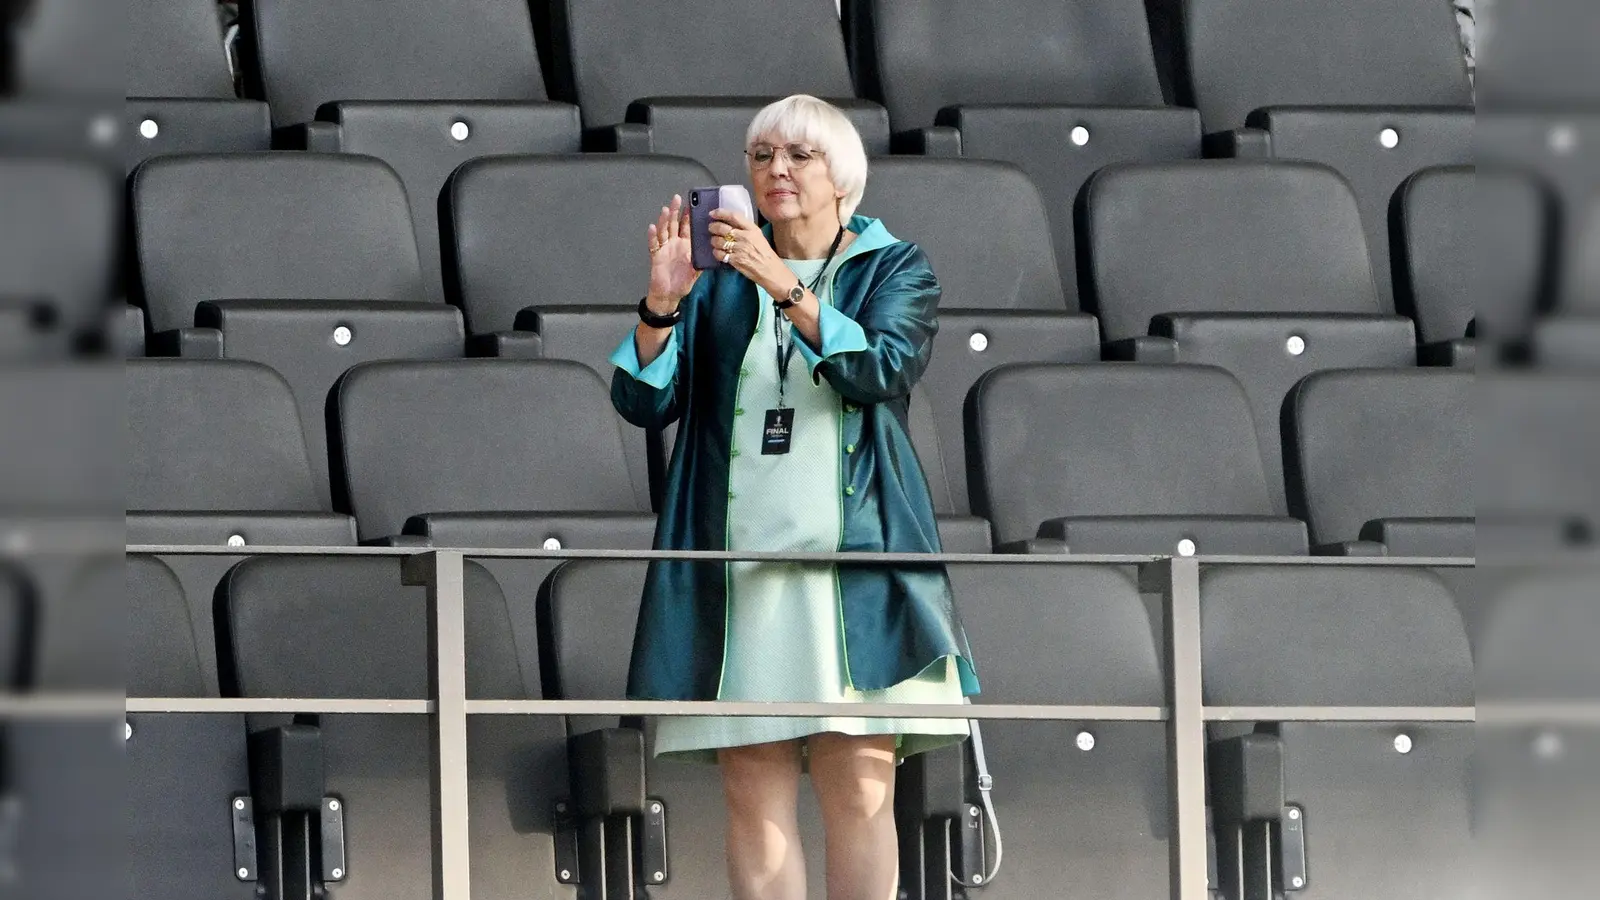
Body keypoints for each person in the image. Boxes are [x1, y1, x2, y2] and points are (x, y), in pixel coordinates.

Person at [609, 94, 980, 900]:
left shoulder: (894, 266)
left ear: (840, 175)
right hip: (741, 577)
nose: (776, 170)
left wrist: (781, 283)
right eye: (761, 155)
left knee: (859, 790)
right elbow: (643, 405)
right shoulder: (715, 283)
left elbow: (879, 370)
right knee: (755, 797)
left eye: (798, 156)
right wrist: (662, 305)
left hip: (858, 574)